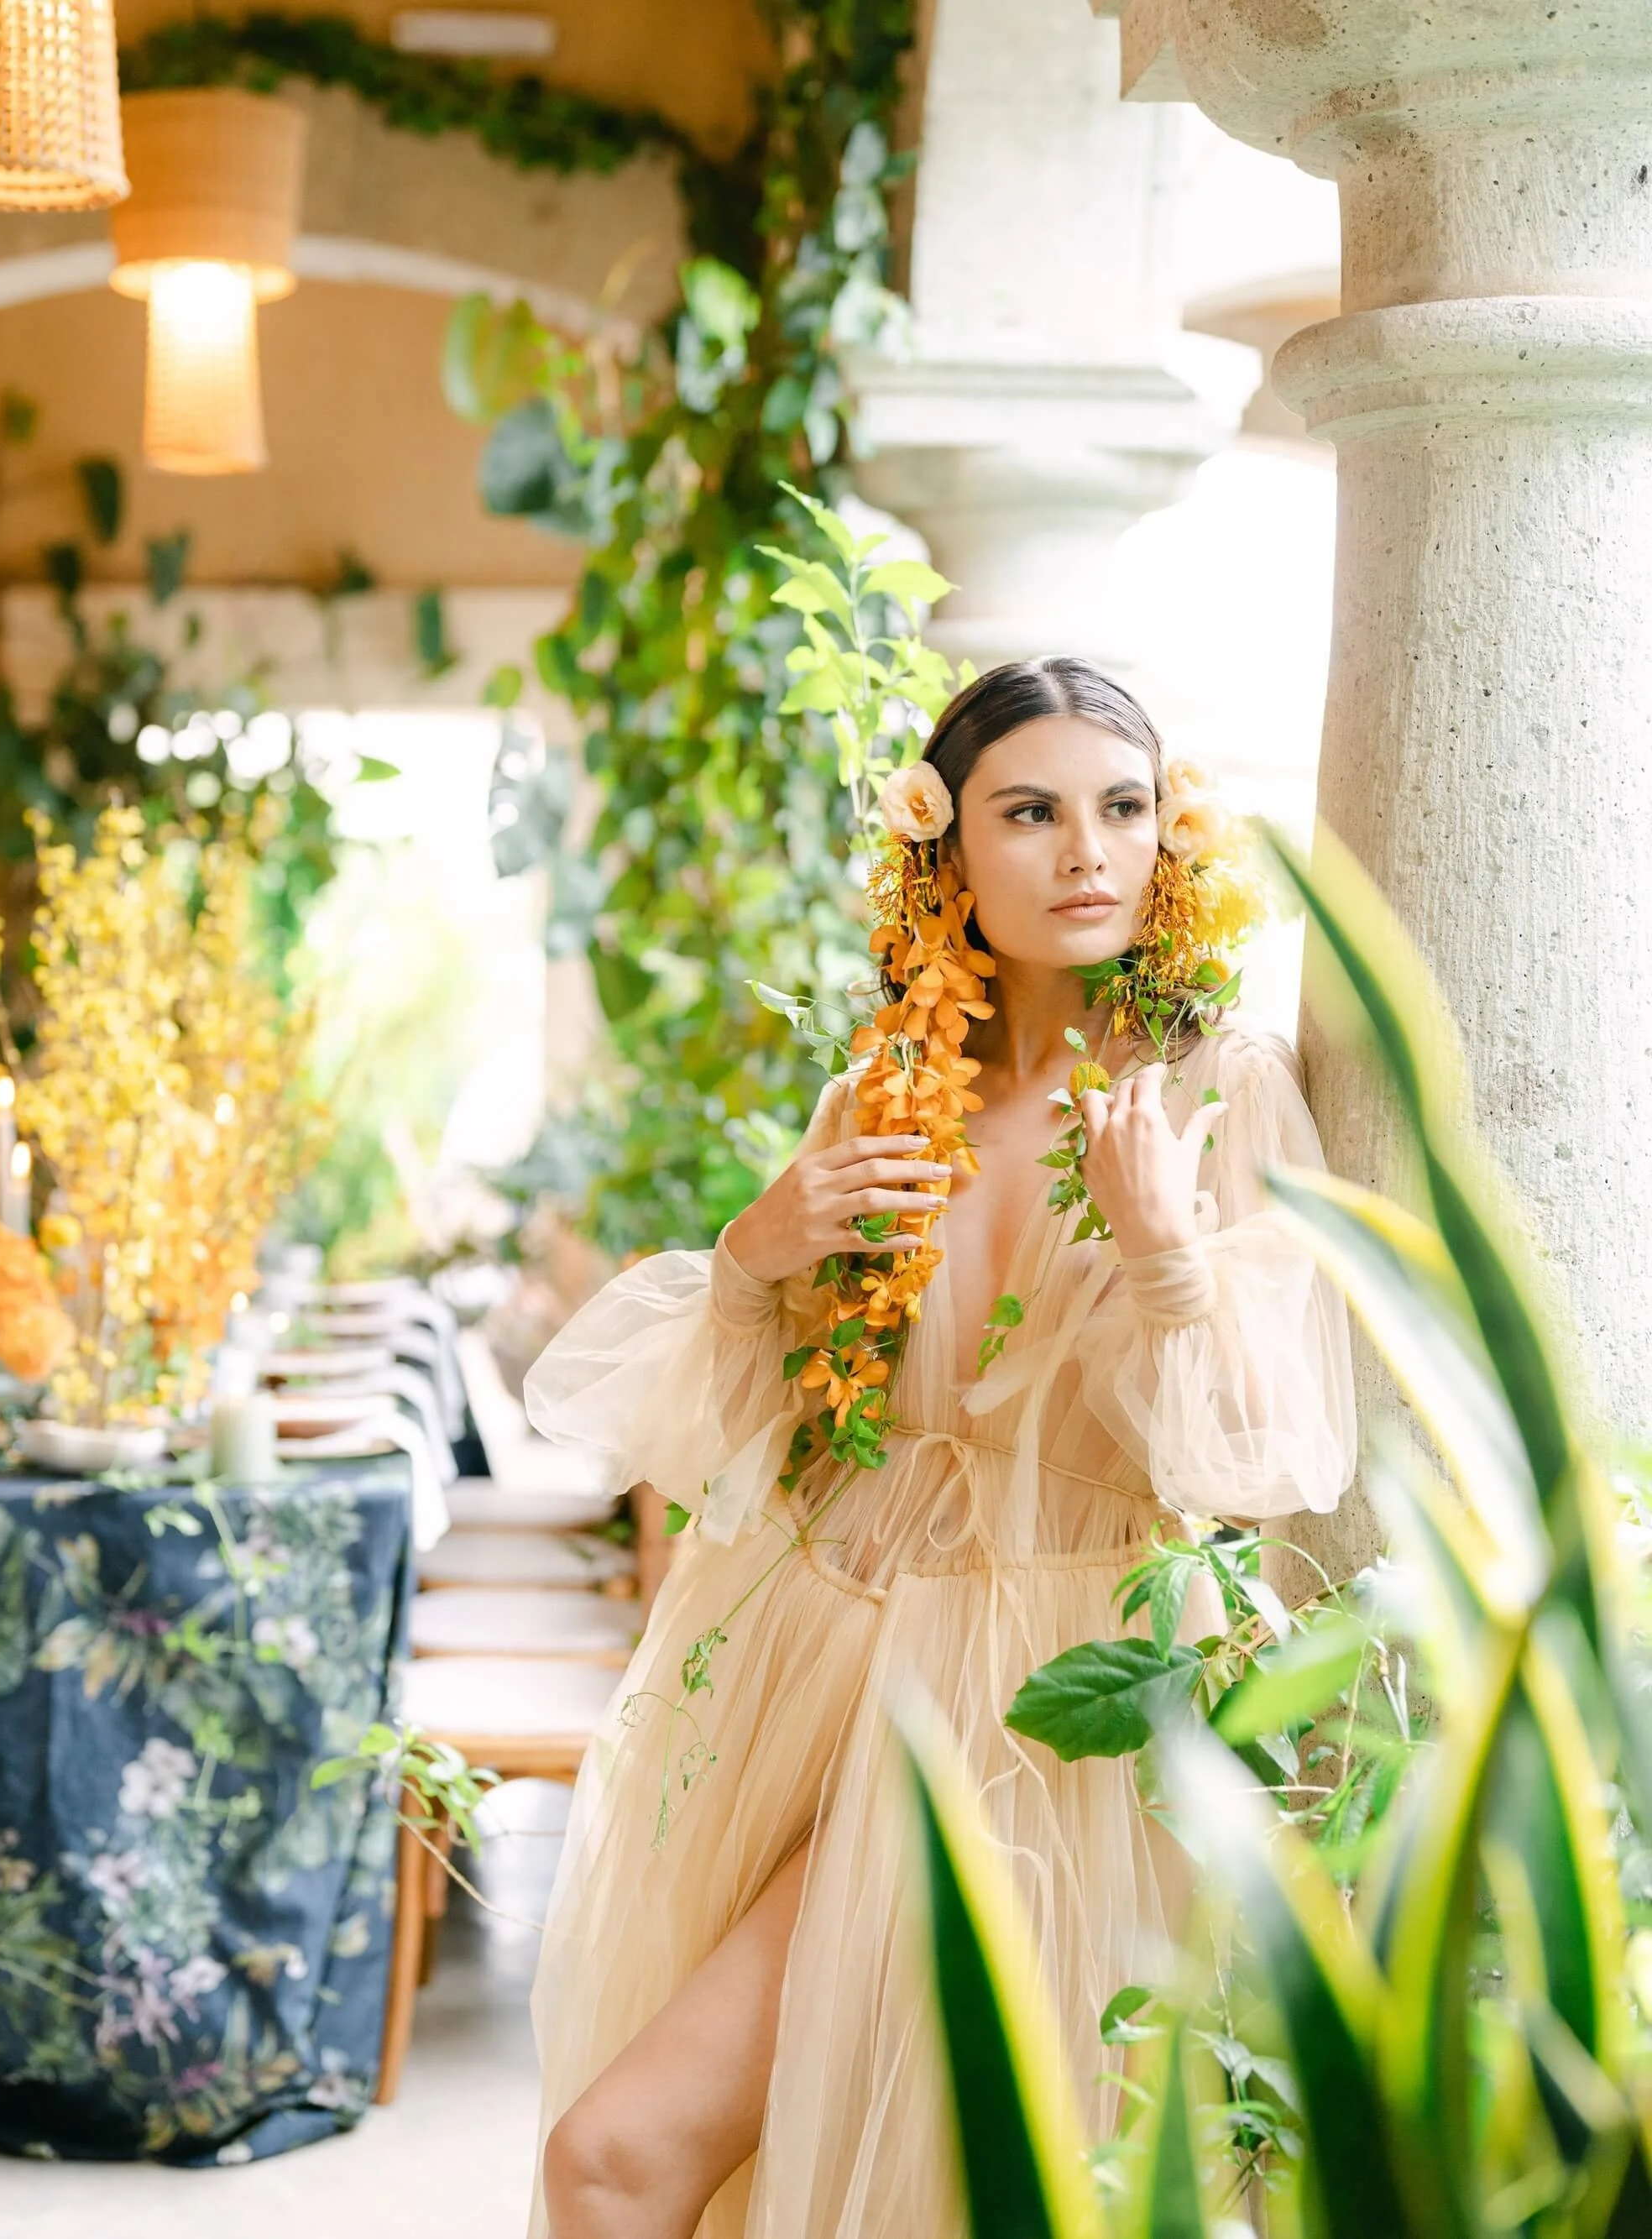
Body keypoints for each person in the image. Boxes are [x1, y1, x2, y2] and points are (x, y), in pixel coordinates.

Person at [520, 658, 1356, 2239]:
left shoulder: (1209, 1092)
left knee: (741, 2166)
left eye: (1122, 808)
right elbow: (764, 1442)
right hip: (828, 1671)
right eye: (1028, 812)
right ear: (948, 852)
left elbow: (1271, 1453)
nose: (1086, 850)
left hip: (1054, 1692)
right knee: (660, 2162)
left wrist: (1169, 1257)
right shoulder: (890, 1095)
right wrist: (758, 1255)